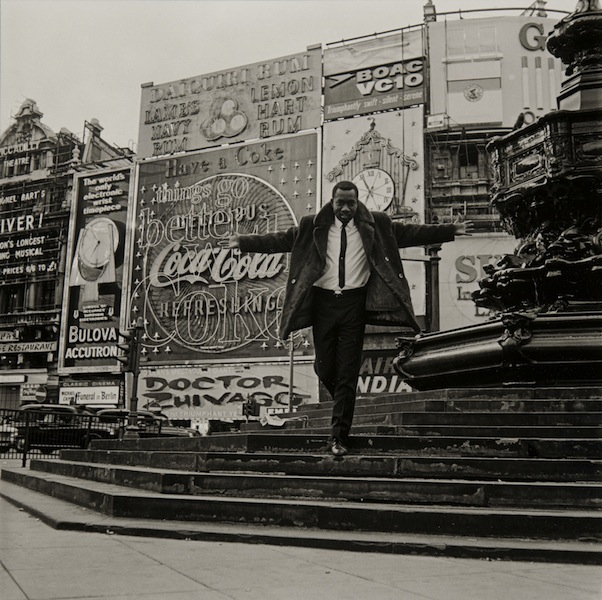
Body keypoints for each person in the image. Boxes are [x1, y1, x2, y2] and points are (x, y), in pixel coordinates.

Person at [229, 181, 473, 456]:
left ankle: (338, 437)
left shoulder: (377, 225)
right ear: (332, 202)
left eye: (351, 203)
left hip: (353, 306)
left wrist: (451, 230)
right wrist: (245, 242)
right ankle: (344, 405)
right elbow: (281, 240)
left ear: (358, 203)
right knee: (324, 369)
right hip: (322, 305)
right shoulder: (313, 226)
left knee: (347, 373)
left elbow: (411, 232)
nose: (345, 208)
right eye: (340, 203)